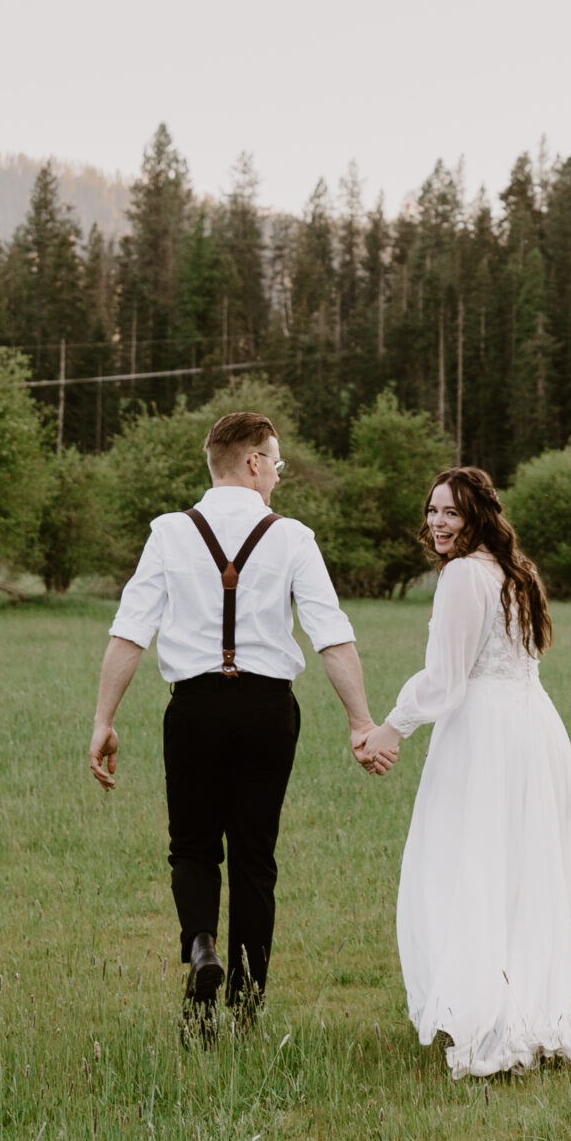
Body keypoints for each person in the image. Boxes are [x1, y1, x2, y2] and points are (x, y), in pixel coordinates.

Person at [88, 410, 384, 1030]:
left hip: (193, 707)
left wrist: (103, 720)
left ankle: (200, 948)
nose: (278, 475)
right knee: (255, 856)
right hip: (267, 710)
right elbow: (332, 636)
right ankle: (246, 1008)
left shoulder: (170, 532)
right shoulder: (292, 536)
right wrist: (360, 722)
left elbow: (130, 631)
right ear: (252, 462)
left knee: (192, 847)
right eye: (276, 463)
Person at [355, 467, 571, 1079]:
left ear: (477, 518)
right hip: (530, 729)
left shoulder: (465, 575)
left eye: (451, 514)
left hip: (484, 735)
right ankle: (518, 1012)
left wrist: (390, 729)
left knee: (468, 867)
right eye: (432, 511)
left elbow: (445, 679)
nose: (437, 523)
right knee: (516, 871)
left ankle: (489, 1021)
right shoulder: (515, 571)